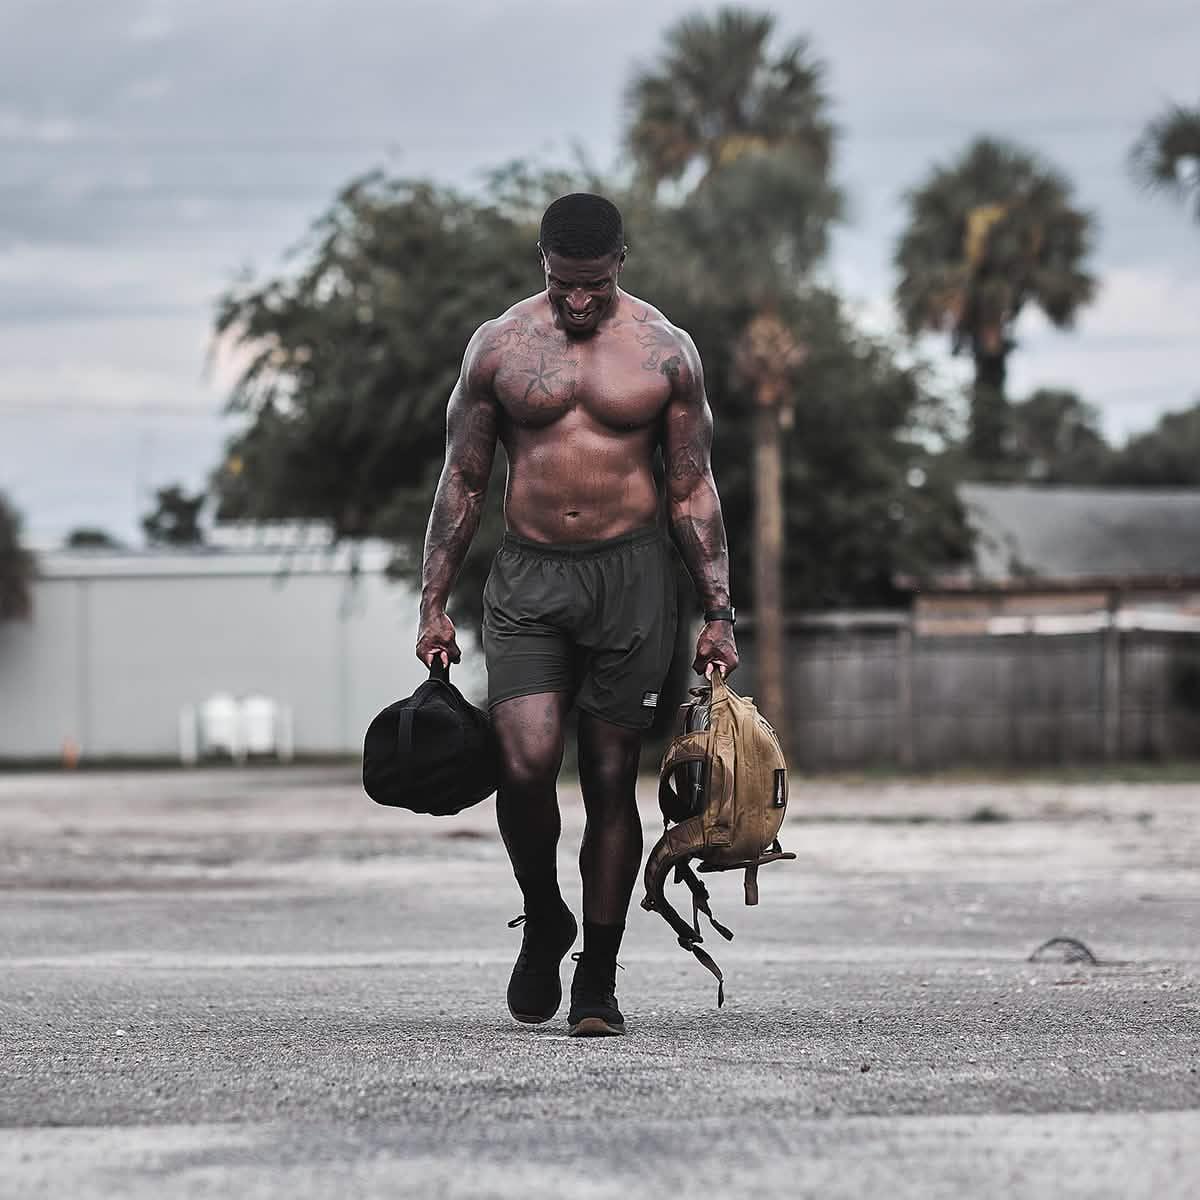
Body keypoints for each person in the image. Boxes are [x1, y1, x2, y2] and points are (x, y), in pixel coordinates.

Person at [415, 192, 737, 1037]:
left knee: (606, 780)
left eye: (593, 283)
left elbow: (691, 487)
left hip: (632, 580)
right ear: (543, 264)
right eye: (564, 284)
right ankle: (543, 915)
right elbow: (464, 480)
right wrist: (433, 602)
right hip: (526, 578)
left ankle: (596, 974)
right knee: (521, 762)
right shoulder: (500, 348)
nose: (579, 300)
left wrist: (719, 612)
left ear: (620, 262)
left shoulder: (666, 353)